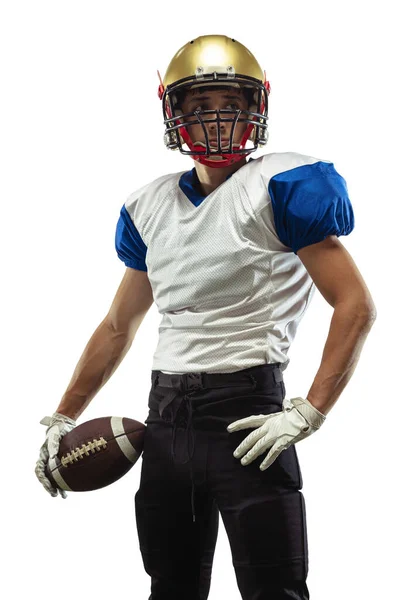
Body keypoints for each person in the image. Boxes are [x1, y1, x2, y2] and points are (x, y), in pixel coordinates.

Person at [35, 34, 377, 599]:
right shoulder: (148, 205)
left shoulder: (282, 185)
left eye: (232, 104)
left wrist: (310, 411)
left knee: (276, 590)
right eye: (198, 107)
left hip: (249, 417)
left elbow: (356, 305)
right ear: (174, 115)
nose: (216, 118)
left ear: (256, 109)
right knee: (170, 586)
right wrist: (61, 417)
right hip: (166, 418)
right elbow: (119, 325)